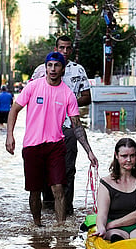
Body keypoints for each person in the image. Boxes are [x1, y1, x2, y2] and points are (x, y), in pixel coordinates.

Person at [6, 52, 98, 226]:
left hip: (55, 146)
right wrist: (9, 135)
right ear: (45, 67)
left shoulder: (68, 94)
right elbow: (14, 109)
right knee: (35, 191)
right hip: (32, 146)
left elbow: (77, 126)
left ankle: (61, 227)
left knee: (58, 188)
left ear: (63, 69)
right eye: (50, 65)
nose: (53, 69)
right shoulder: (33, 87)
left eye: (57, 65)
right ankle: (37, 226)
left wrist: (89, 152)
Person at [31, 35, 92, 216]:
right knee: (42, 169)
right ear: (55, 48)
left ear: (71, 50)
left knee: (67, 168)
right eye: (61, 48)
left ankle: (66, 209)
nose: (64, 52)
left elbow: (87, 97)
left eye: (68, 48)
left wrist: (68, 102)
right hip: (42, 130)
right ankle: (48, 204)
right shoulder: (40, 71)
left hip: (68, 127)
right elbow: (29, 97)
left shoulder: (78, 70)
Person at [93, 138, 136, 242]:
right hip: (115, 230)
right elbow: (102, 214)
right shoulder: (105, 183)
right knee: (115, 237)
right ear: (116, 155)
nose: (129, 160)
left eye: (132, 156)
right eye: (124, 156)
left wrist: (110, 225)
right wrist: (101, 227)